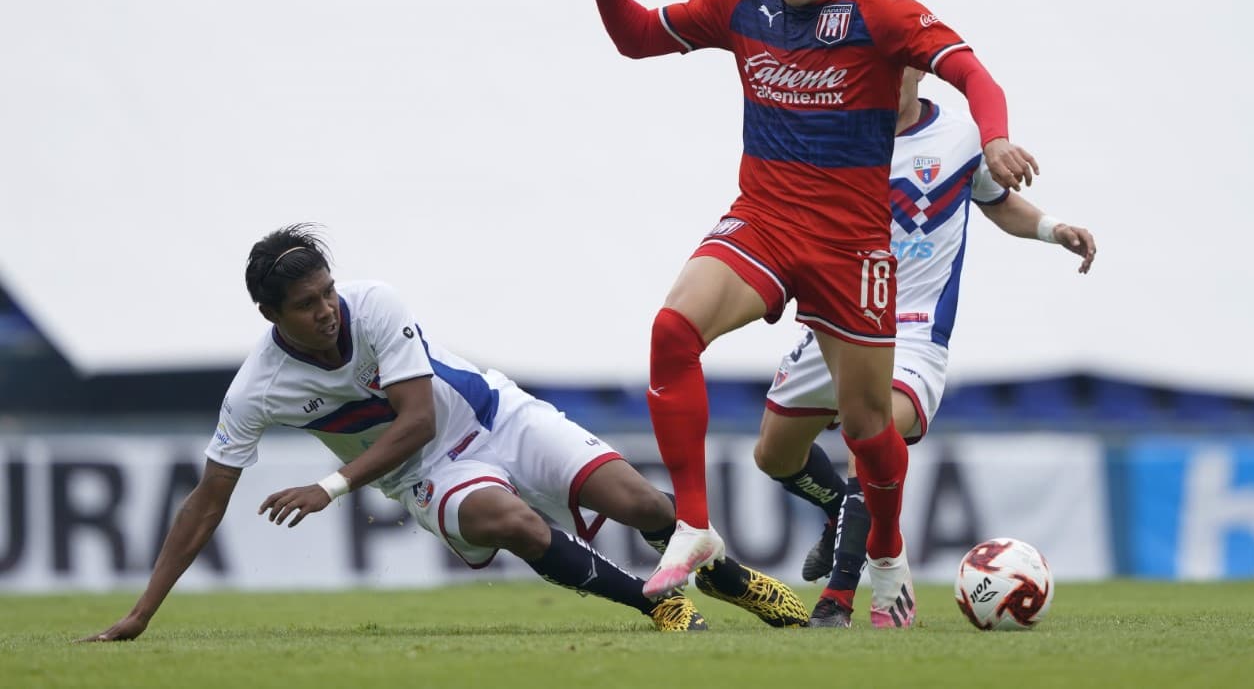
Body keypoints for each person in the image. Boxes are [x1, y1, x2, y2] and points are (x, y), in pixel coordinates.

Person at [566, 0, 1038, 626]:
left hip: (852, 245)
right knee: (673, 330)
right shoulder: (744, 4)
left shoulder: (881, 13)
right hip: (766, 219)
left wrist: (997, 137)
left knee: (867, 428)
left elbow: (971, 73)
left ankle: (887, 554)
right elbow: (639, 37)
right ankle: (694, 524)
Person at [81, 225, 810, 642]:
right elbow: (206, 500)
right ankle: (658, 604)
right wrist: (142, 613)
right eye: (306, 304)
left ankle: (733, 581)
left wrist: (330, 485)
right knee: (511, 521)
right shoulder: (256, 389)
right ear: (271, 316)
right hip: (425, 473)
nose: (327, 310)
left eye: (327, 291)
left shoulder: (374, 303)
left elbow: (419, 416)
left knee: (643, 504)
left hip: (494, 414)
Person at [754, 69, 1096, 627]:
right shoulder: (831, 134)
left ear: (916, 67)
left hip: (912, 333)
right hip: (837, 321)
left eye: (894, 60)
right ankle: (842, 512)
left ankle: (846, 594)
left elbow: (997, 201)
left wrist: (1052, 228)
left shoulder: (959, 137)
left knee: (871, 430)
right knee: (774, 455)